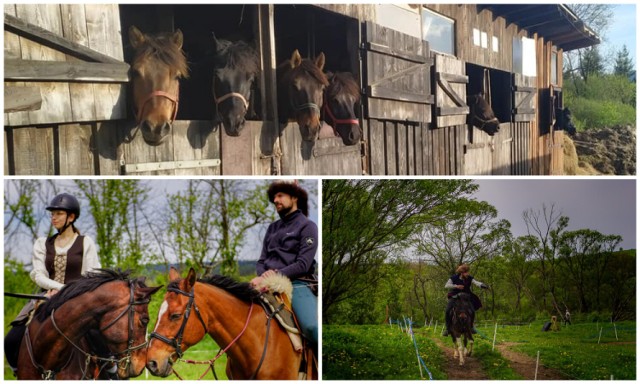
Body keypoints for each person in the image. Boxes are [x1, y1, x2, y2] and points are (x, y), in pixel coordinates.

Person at [4, 193, 101, 376]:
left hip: (77, 301)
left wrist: (70, 293)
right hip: (45, 299)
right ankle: (21, 372)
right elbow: (38, 275)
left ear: (71, 217)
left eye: (58, 213)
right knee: (11, 339)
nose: (53, 217)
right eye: (52, 214)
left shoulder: (85, 242)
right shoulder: (43, 243)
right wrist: (58, 289)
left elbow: (93, 275)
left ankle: (110, 372)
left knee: (101, 336)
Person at [250, 180, 318, 352]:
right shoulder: (272, 228)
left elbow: (303, 264)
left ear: (294, 197)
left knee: (312, 328)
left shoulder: (308, 227)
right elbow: (261, 260)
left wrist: (275, 275)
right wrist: (263, 276)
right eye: (274, 197)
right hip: (265, 284)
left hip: (297, 283)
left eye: (280, 195)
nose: (275, 200)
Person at [442, 263, 489, 337]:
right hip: (455, 296)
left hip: (466, 296)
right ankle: (447, 329)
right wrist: (456, 286)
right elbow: (446, 285)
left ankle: (471, 327)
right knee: (448, 310)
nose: (468, 273)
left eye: (467, 272)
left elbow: (476, 282)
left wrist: (482, 285)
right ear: (461, 273)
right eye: (466, 272)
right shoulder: (453, 278)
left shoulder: (469, 278)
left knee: (472, 310)